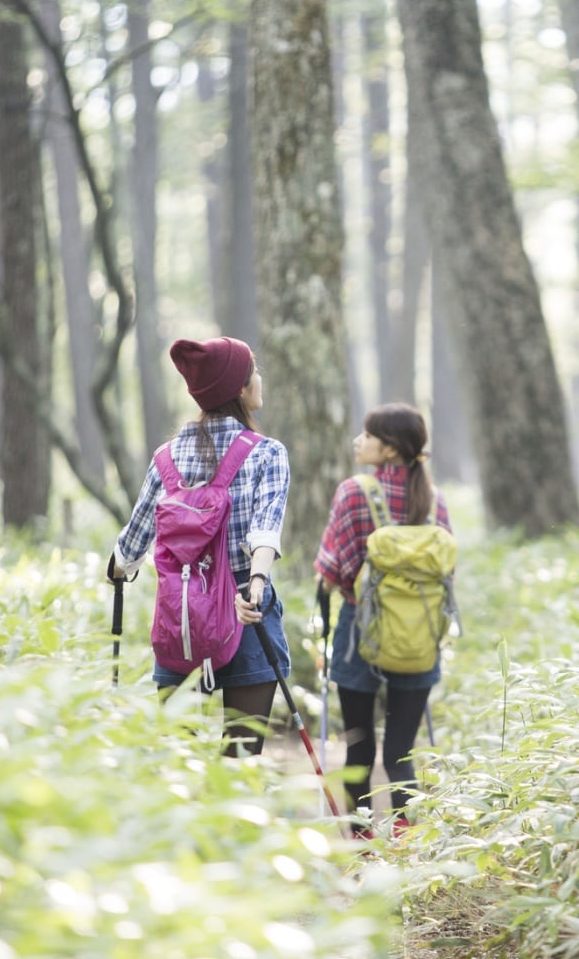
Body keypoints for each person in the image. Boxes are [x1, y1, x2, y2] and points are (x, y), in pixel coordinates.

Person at [111, 335, 291, 757]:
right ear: (241, 390)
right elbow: (266, 529)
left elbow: (132, 546)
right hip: (246, 611)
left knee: (180, 763)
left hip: (181, 620)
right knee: (242, 762)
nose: (259, 378)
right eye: (254, 372)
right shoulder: (267, 454)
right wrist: (258, 581)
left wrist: (117, 566)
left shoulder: (166, 457)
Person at [315, 403, 453, 835]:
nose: (359, 440)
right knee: (401, 749)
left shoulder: (354, 492)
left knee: (359, 747)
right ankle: (406, 836)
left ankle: (360, 838)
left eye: (368, 434)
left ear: (390, 448)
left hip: (361, 633)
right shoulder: (434, 501)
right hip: (419, 636)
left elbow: (334, 570)